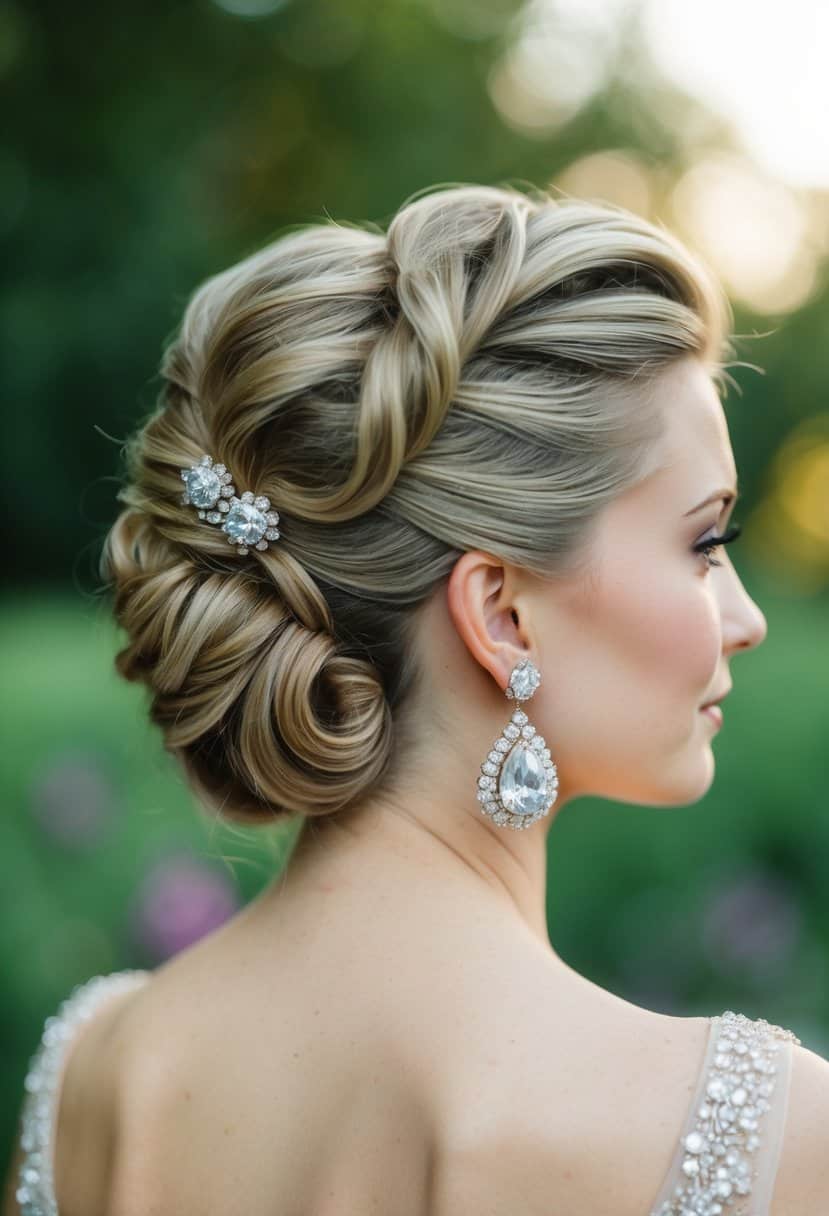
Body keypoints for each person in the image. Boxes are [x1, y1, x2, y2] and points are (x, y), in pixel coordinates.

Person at [5, 183, 828, 1216]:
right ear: (502, 614)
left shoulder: (94, 1074)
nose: (745, 617)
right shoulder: (768, 1141)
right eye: (703, 544)